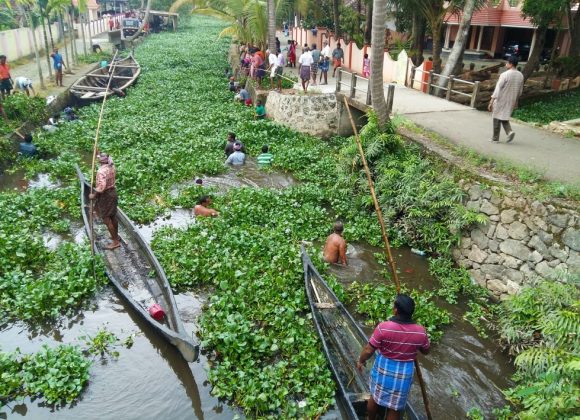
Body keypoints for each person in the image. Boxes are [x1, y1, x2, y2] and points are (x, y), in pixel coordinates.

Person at [356, 295, 430, 420]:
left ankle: (371, 419)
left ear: (395, 310)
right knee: (394, 408)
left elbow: (368, 350)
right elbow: (426, 351)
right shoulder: (420, 331)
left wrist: (361, 361)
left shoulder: (384, 327)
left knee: (375, 397)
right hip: (404, 375)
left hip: (383, 370)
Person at [89, 153, 121, 250]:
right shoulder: (112, 166)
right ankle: (116, 235)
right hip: (113, 193)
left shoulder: (101, 171)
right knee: (113, 215)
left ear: (100, 161)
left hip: (106, 196)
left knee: (106, 219)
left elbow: (101, 188)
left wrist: (93, 195)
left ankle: (115, 242)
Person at [488, 56, 524, 144]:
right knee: (504, 116)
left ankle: (495, 138)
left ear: (511, 64)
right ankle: (509, 131)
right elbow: (520, 91)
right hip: (511, 99)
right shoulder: (520, 75)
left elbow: (498, 88)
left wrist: (491, 101)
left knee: (496, 116)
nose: (506, 64)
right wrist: (516, 101)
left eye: (507, 62)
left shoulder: (505, 74)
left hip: (502, 98)